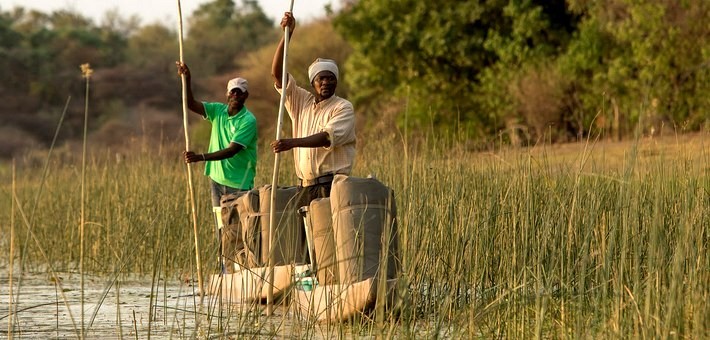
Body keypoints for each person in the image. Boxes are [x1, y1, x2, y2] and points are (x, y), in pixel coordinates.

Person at [176, 61, 258, 273]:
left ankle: (243, 269)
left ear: (246, 96)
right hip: (217, 180)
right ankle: (225, 269)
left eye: (240, 93)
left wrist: (200, 157)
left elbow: (232, 150)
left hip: (239, 182)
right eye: (233, 92)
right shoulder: (217, 111)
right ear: (227, 94)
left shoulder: (248, 120)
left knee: (239, 229)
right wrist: (187, 79)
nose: (236, 96)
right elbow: (191, 104)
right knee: (222, 227)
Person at [270, 12, 356, 209]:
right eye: (321, 79)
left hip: (331, 186)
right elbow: (277, 73)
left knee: (328, 237)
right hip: (304, 187)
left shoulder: (342, 107)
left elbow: (327, 137)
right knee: (307, 239)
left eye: (331, 78)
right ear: (313, 83)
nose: (326, 82)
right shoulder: (301, 101)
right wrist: (287, 34)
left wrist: (291, 143)